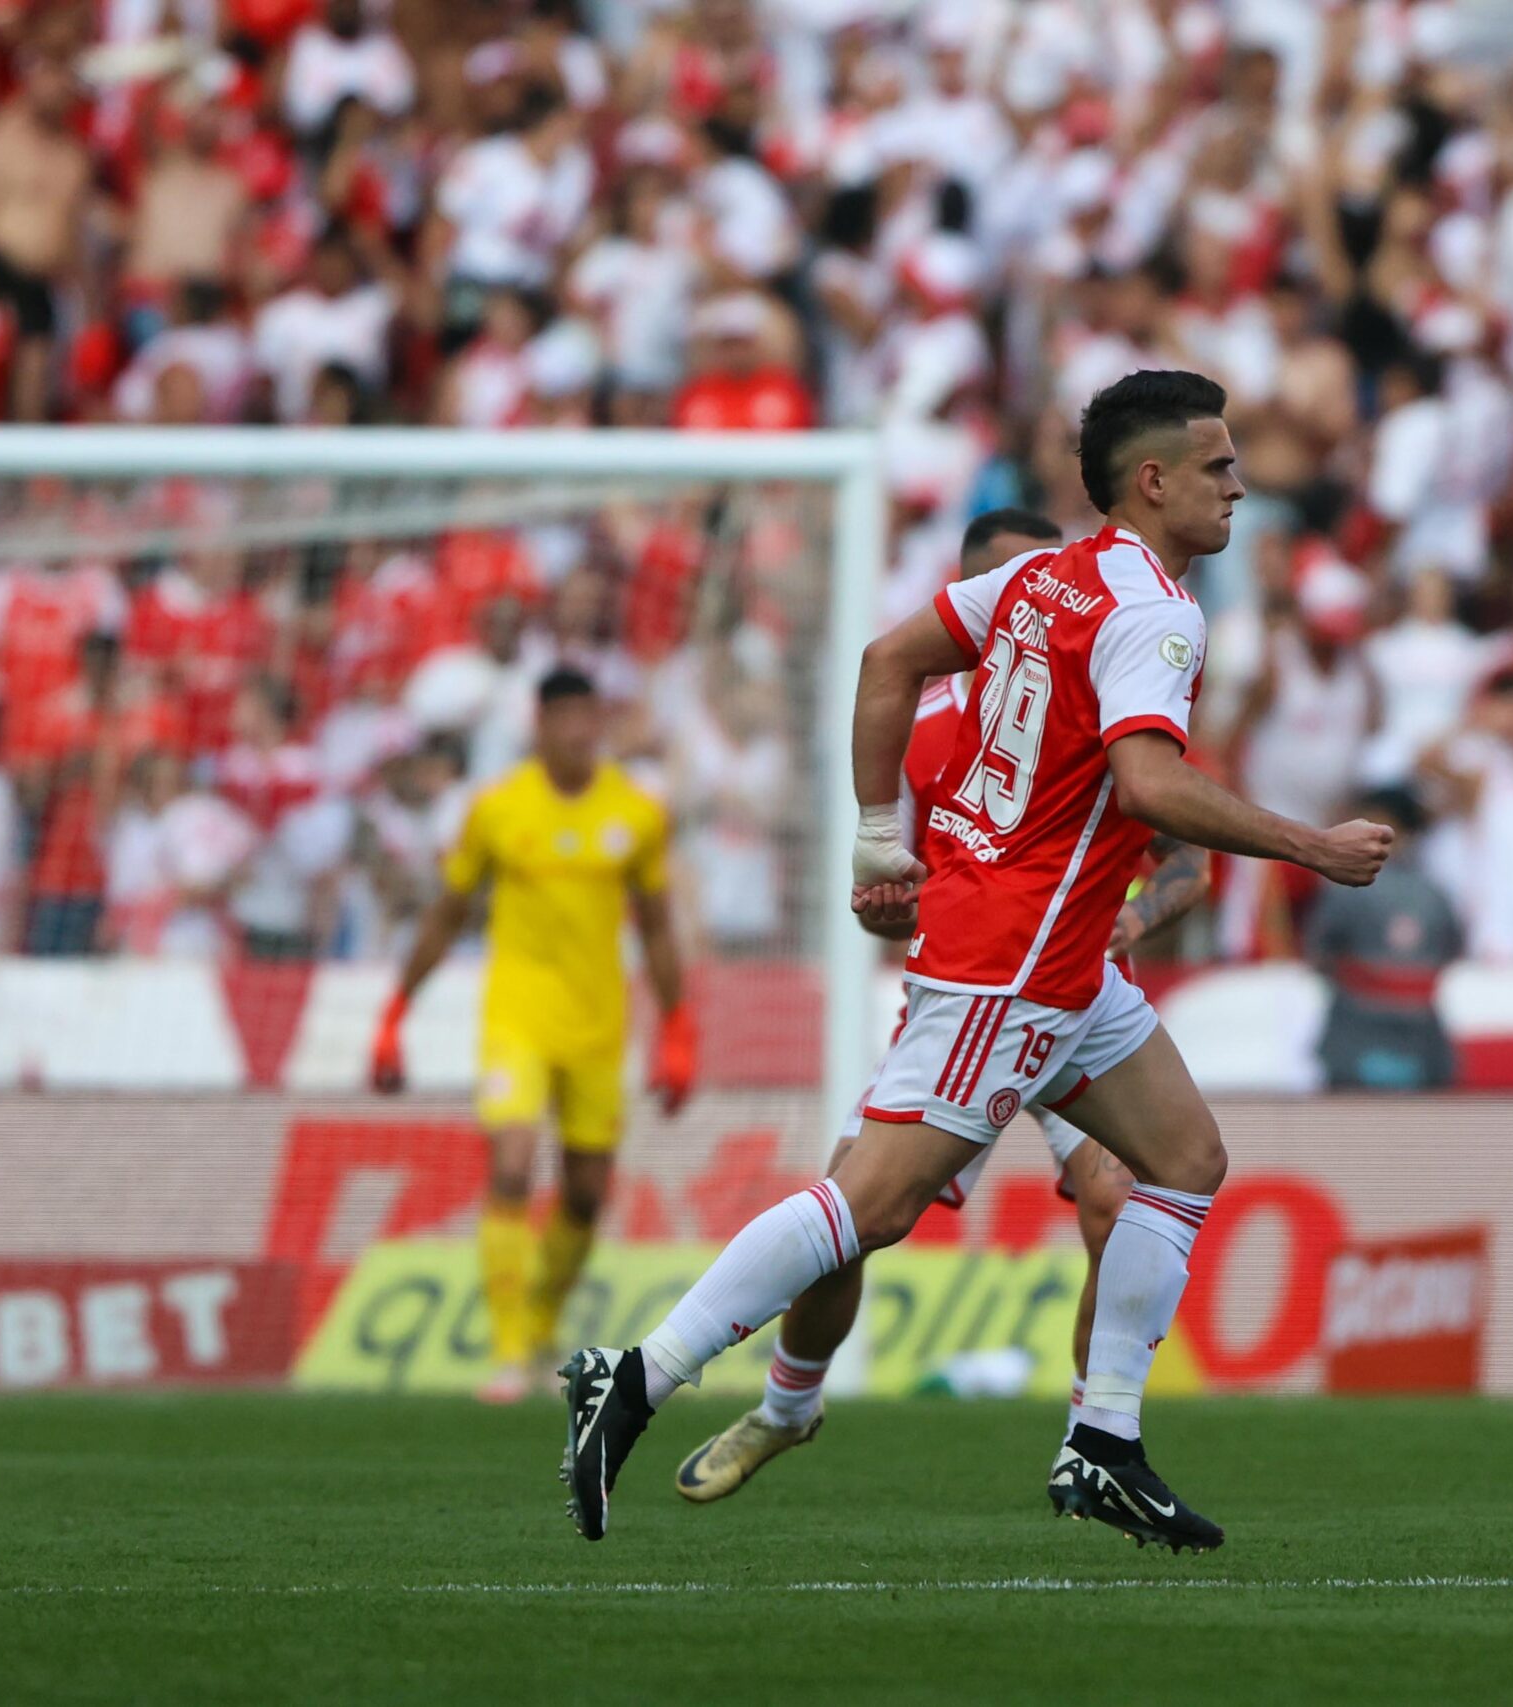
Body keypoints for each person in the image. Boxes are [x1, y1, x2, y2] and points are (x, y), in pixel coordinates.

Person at [560, 371, 1391, 1548]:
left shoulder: (1036, 578)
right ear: (1152, 481)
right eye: (1217, 466)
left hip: (1054, 955)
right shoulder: (1155, 611)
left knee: (1183, 1156)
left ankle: (1102, 1441)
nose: (1239, 485)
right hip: (1016, 957)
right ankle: (639, 1373)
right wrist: (1310, 846)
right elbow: (1149, 784)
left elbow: (886, 660)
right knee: (876, 1201)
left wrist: (877, 834)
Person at [669, 508, 1209, 1503]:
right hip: (969, 996)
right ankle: (788, 1407)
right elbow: (885, 906)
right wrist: (886, 902)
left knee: (1121, 1191)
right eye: (1014, 584)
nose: (1041, 600)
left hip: (1082, 992)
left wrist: (1141, 920)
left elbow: (1185, 858)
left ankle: (1093, 1437)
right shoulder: (923, 733)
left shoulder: (1113, 671)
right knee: (855, 1215)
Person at [370, 667, 696, 1403]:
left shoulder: (637, 813)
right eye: (568, 718)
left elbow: (657, 927)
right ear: (541, 725)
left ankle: (542, 1322)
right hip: (516, 1015)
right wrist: (396, 1009)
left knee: (586, 1191)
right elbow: (449, 912)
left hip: (597, 1024)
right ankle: (509, 1350)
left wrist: (677, 1027)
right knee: (513, 1163)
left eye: (592, 716)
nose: (582, 731)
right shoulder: (497, 808)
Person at [1305, 786, 1462, 1091]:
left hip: (1360, 1034)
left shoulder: (1344, 888)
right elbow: (1452, 950)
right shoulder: (1437, 894)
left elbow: (1319, 951)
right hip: (1415, 1039)